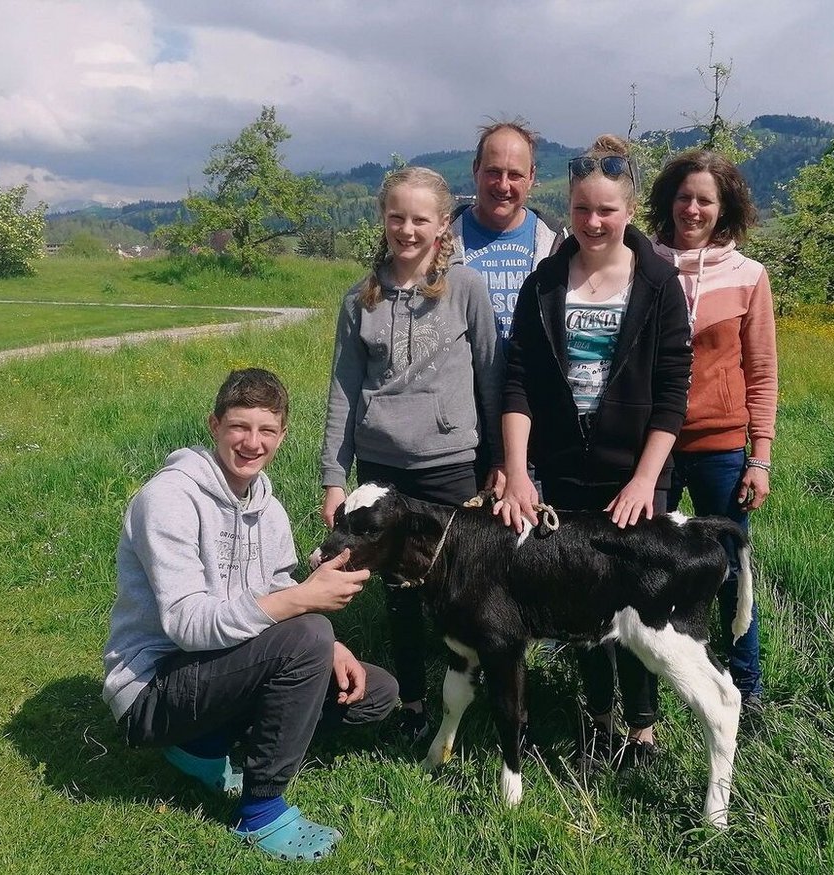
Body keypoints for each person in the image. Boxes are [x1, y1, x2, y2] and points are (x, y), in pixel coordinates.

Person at [102, 368, 398, 864]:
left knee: (376, 690)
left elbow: (279, 588)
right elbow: (186, 624)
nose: (251, 442)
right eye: (239, 426)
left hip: (222, 672)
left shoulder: (270, 509)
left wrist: (333, 646)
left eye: (266, 431)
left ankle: (206, 745)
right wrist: (305, 605)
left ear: (282, 436)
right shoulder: (169, 499)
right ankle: (261, 810)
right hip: (152, 690)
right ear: (214, 424)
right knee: (308, 634)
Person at [494, 135, 692, 768]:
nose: (594, 222)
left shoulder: (659, 284)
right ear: (569, 208)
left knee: (640, 604)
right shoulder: (546, 282)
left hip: (636, 476)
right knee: (583, 600)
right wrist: (521, 472)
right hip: (564, 472)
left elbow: (671, 393)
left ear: (628, 211)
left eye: (607, 210)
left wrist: (643, 481)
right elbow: (518, 380)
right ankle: (597, 722)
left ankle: (642, 731)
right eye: (582, 209)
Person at [320, 166, 503, 743]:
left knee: (465, 587)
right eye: (396, 216)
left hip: (452, 463)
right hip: (380, 470)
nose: (407, 229)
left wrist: (501, 460)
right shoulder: (359, 299)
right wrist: (333, 476)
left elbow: (491, 378)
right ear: (383, 219)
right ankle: (411, 702)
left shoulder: (467, 288)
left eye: (420, 218)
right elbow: (343, 390)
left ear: (442, 224)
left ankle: (475, 695)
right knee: (398, 592)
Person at [646, 148, 777, 714]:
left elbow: (763, 370)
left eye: (704, 199)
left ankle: (746, 686)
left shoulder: (749, 276)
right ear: (668, 201)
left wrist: (761, 456)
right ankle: (645, 700)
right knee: (647, 568)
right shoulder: (643, 264)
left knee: (729, 569)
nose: (691, 209)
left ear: (723, 209)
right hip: (653, 444)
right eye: (683, 197)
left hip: (721, 446)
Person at [451, 119, 565, 351]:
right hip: (463, 385)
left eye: (514, 175)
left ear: (531, 177)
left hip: (531, 384)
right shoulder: (442, 238)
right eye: (493, 172)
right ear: (476, 169)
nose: (503, 185)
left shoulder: (557, 241)